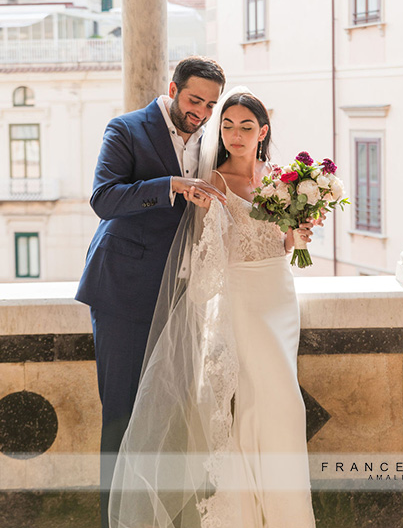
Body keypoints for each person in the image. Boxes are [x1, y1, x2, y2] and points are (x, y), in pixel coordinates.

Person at [108, 89, 318, 527]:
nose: (234, 134)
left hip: (279, 295)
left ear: (262, 132)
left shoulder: (279, 177)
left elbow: (281, 243)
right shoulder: (215, 182)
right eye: (227, 125)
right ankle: (245, 514)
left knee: (280, 407)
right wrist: (211, 216)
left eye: (245, 127)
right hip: (243, 299)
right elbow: (212, 258)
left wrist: (298, 234)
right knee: (267, 404)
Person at [76, 56, 227, 528]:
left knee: (169, 417)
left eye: (210, 104)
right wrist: (172, 186)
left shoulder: (211, 138)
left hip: (183, 296)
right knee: (121, 413)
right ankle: (114, 520)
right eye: (194, 100)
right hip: (124, 291)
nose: (200, 112)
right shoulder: (126, 129)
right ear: (173, 88)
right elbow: (104, 199)